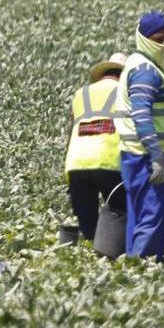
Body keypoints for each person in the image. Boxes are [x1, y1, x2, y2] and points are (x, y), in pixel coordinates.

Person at [114, 11, 164, 260]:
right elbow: (142, 116)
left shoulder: (138, 65)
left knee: (138, 215)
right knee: (153, 215)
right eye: (158, 39)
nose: (163, 45)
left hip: (135, 155)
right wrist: (157, 157)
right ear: (143, 38)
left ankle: (132, 265)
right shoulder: (145, 70)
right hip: (149, 156)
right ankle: (144, 268)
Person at [64, 53, 128, 241]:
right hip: (110, 161)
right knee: (118, 213)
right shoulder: (127, 94)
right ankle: (110, 252)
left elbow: (71, 129)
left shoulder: (80, 94)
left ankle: (88, 248)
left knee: (86, 217)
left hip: (76, 161)